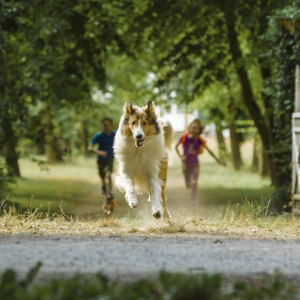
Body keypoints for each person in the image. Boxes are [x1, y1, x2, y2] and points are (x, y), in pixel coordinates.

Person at [175, 119, 226, 204]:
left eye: (196, 128)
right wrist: (181, 157)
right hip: (185, 165)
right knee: (188, 185)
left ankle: (193, 202)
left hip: (195, 164)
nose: (194, 129)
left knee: (194, 182)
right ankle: (190, 188)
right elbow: (176, 147)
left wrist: (219, 161)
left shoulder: (200, 140)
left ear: (199, 130)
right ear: (190, 128)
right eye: (193, 127)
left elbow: (210, 151)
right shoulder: (184, 138)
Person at [88, 117, 116, 196]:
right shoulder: (98, 136)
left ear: (111, 125)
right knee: (103, 178)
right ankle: (104, 192)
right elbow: (89, 148)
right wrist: (99, 152)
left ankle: (110, 194)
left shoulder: (115, 134)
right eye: (104, 125)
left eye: (108, 125)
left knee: (109, 175)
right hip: (100, 159)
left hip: (110, 158)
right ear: (102, 126)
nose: (106, 127)